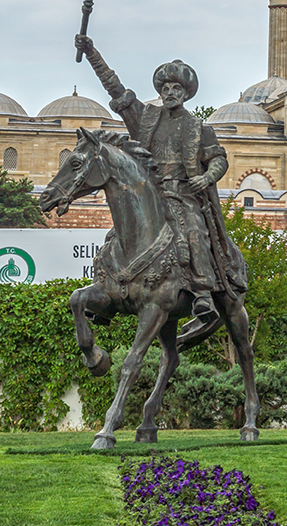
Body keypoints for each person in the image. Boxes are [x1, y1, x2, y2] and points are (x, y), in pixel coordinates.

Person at [76, 34, 246, 325]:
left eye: (175, 88)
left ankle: (203, 294)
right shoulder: (147, 118)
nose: (170, 93)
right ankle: (104, 293)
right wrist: (92, 53)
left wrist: (206, 178)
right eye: (165, 88)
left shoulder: (197, 127)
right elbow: (116, 88)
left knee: (193, 231)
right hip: (150, 195)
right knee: (115, 237)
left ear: (185, 93)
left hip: (183, 196)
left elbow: (218, 158)